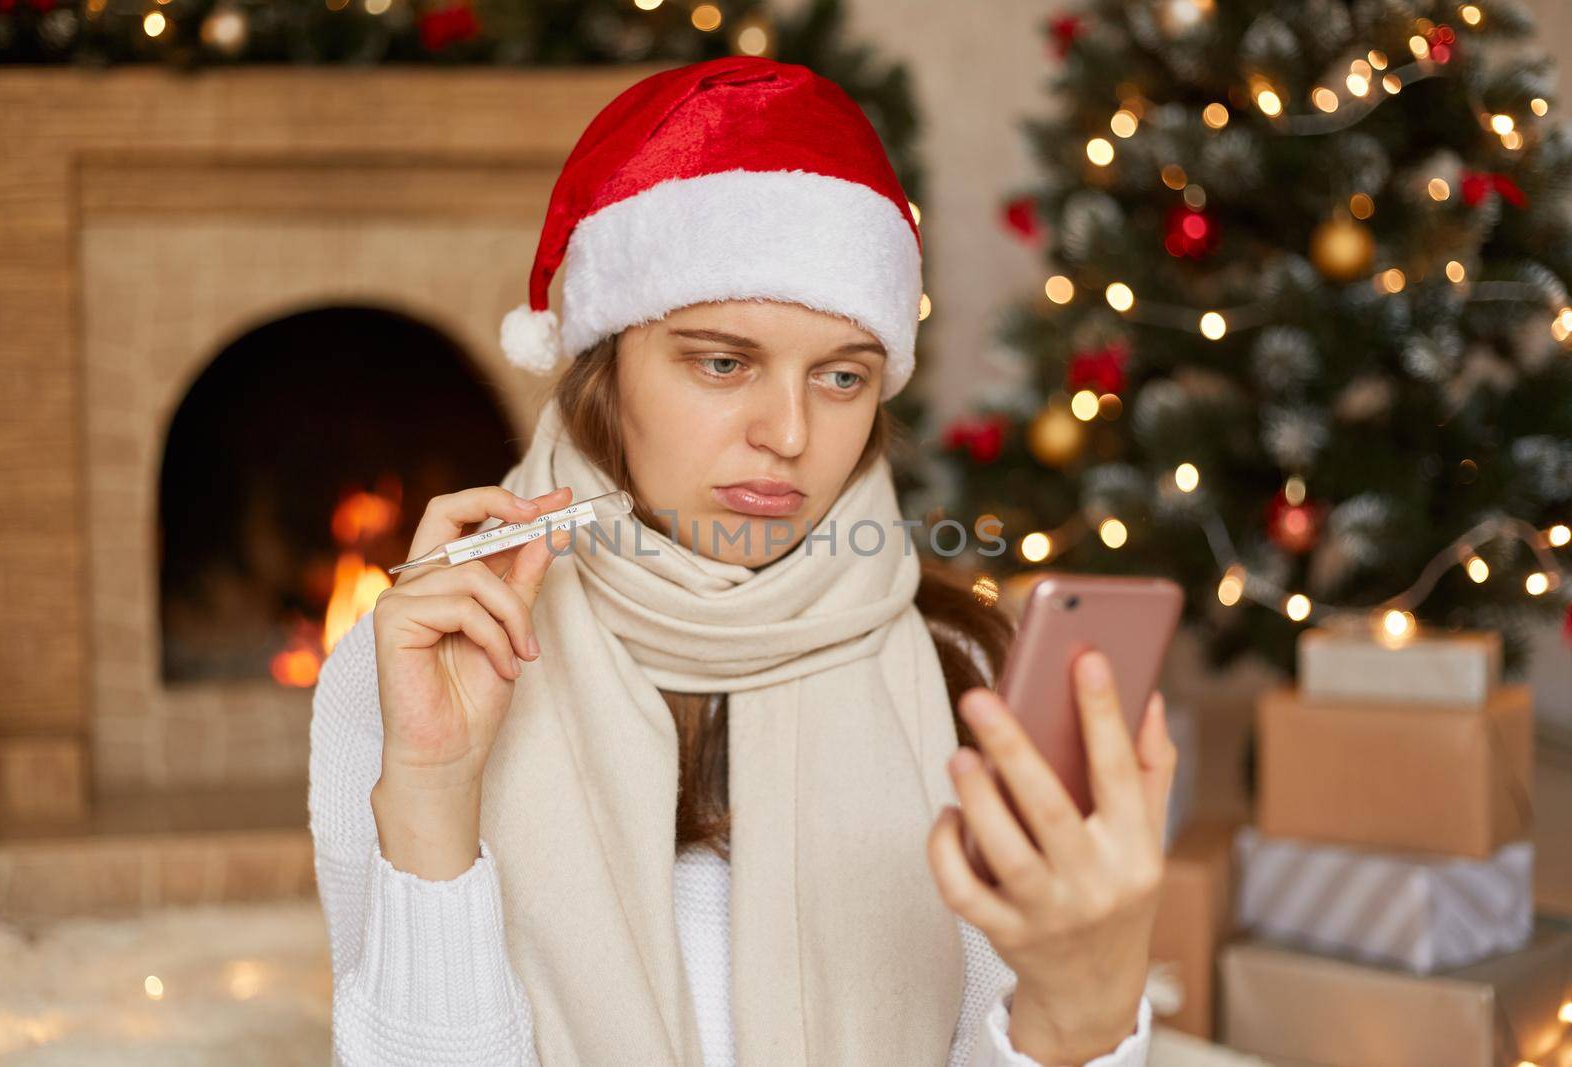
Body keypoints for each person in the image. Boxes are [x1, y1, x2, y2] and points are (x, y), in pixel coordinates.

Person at [308, 55, 1174, 1067]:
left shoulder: (965, 668)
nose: (790, 432)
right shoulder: (421, 658)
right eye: (722, 361)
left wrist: (1081, 1010)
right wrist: (433, 791)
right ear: (603, 365)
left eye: (842, 375)